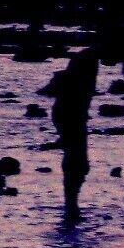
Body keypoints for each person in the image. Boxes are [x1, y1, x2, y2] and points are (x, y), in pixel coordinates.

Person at [38, 49, 100, 222]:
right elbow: (77, 89)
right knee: (77, 163)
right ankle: (71, 207)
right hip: (71, 115)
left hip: (70, 114)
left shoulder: (88, 59)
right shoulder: (87, 60)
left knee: (76, 161)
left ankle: (71, 206)